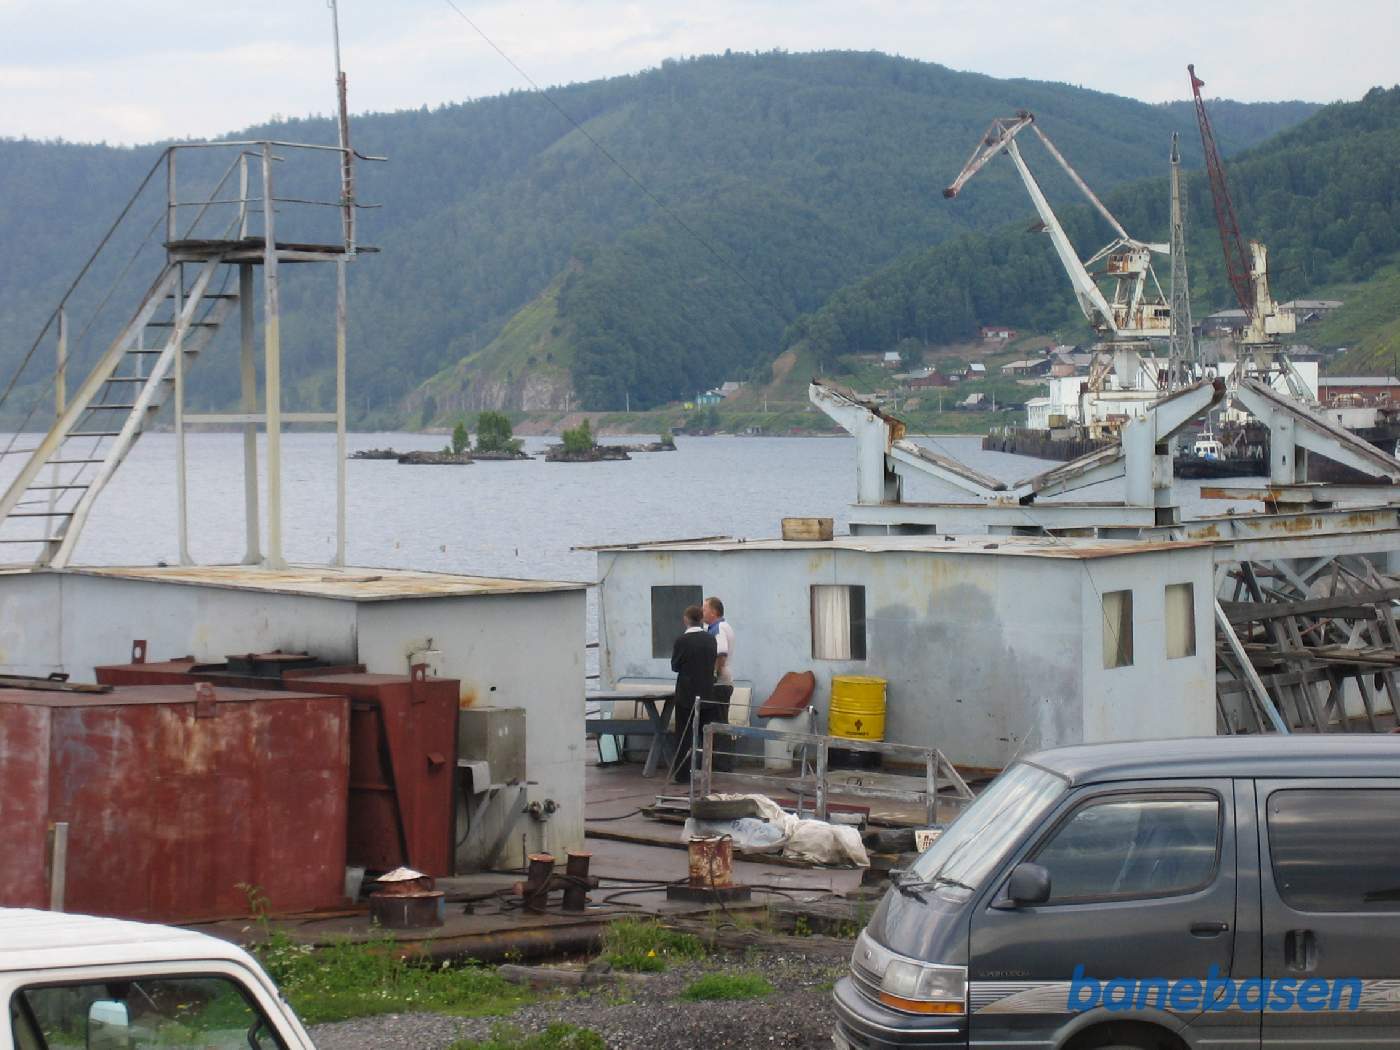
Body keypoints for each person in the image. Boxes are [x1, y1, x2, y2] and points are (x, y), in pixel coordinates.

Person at [669, 604, 716, 782]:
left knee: (684, 735)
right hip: (707, 692)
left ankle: (682, 774)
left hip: (687, 694)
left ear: (686, 620)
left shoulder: (682, 641)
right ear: (701, 619)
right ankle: (706, 773)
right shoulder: (710, 639)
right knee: (705, 735)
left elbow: (675, 666)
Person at [704, 596, 736, 770]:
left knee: (718, 722)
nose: (702, 612)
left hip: (720, 683)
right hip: (724, 681)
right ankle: (722, 762)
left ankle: (722, 763)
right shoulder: (722, 626)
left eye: (705, 609)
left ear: (714, 611)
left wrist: (713, 674)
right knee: (720, 721)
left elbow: (721, 653)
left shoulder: (718, 629)